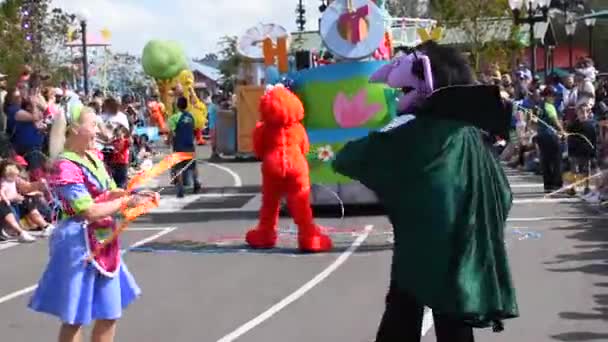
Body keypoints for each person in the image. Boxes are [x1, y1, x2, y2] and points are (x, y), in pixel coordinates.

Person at [334, 41, 518, 342]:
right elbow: (502, 191)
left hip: (418, 249)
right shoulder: (471, 135)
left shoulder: (410, 131)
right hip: (461, 247)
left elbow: (350, 158)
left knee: (402, 317)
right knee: (453, 323)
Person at [28, 105, 156, 342]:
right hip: (78, 244)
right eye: (93, 124)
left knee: (110, 313)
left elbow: (109, 191)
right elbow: (88, 210)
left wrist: (134, 194)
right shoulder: (64, 166)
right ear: (75, 128)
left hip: (104, 240)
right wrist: (126, 203)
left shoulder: (93, 157)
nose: (98, 130)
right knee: (75, 317)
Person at [168, 96, 201, 197]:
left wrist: (169, 141)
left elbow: (172, 133)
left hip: (179, 146)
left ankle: (181, 188)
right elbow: (194, 130)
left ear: (178, 106)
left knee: (178, 168)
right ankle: (196, 183)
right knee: (192, 166)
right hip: (190, 145)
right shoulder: (191, 117)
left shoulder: (173, 118)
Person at [536, 86, 565, 192]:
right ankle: (557, 184)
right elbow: (555, 121)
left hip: (541, 135)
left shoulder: (539, 106)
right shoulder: (549, 106)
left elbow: (534, 121)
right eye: (553, 96)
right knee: (557, 160)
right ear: (548, 96)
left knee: (545, 161)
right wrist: (563, 131)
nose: (554, 98)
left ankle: (548, 185)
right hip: (550, 136)